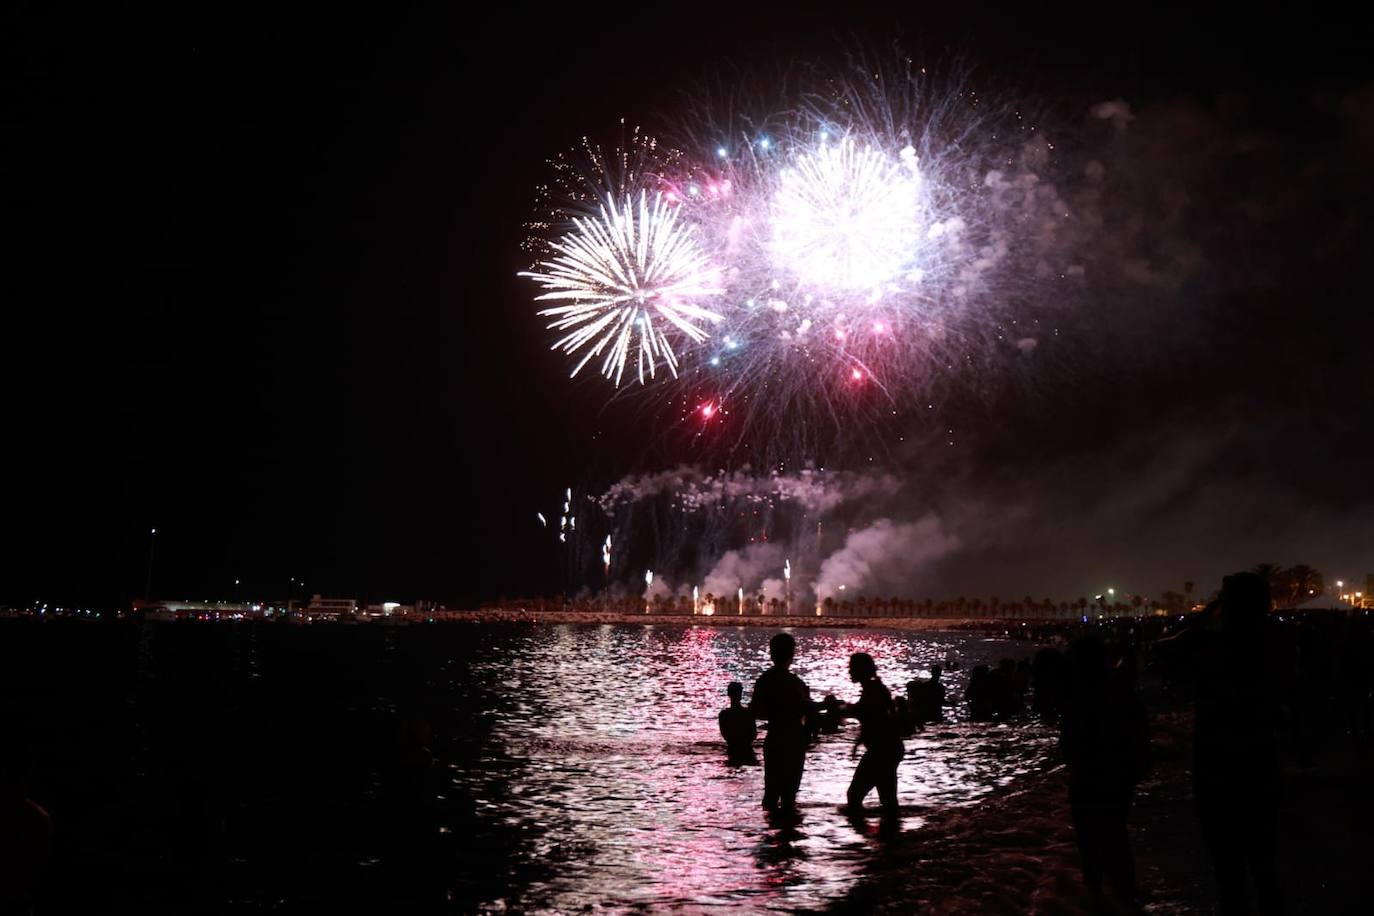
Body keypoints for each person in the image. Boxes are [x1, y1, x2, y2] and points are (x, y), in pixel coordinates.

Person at [1157, 573, 1285, 915]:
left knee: (1227, 869)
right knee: (1263, 863)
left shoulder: (1209, 645)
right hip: (1262, 760)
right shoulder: (1276, 641)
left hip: (1216, 764)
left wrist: (1206, 615)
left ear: (1226, 604)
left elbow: (1161, 652)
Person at [1059, 634, 1149, 909]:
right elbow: (1139, 728)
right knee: (1115, 832)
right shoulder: (1119, 686)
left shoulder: (1080, 690)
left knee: (1090, 836)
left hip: (1091, 773)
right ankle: (1124, 894)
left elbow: (1071, 735)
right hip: (1119, 772)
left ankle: (1098, 894)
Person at [750, 633, 811, 812]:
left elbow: (755, 711)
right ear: (792, 654)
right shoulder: (796, 683)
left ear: (771, 653)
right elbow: (807, 710)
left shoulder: (764, 681)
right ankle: (788, 833)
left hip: (775, 739)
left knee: (770, 794)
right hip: (794, 741)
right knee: (789, 796)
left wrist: (775, 712)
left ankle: (771, 831)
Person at [839, 652, 904, 814]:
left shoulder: (873, 690)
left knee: (854, 795)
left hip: (882, 750)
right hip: (889, 748)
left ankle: (863, 832)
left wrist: (848, 709)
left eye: (851, 668)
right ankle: (889, 834)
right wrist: (858, 743)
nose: (849, 671)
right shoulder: (875, 688)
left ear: (861, 670)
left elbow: (874, 718)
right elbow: (875, 722)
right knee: (888, 800)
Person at [717, 681, 757, 764]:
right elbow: (753, 734)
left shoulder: (724, 715)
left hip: (732, 748)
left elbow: (725, 734)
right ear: (741, 694)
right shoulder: (748, 713)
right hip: (747, 749)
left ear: (728, 694)